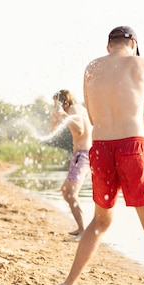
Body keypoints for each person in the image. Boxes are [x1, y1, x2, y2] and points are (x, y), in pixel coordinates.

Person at [53, 26, 144, 285]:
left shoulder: (91, 68)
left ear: (109, 46)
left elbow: (94, 118)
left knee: (100, 221)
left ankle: (67, 283)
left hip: (102, 150)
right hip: (132, 147)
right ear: (132, 44)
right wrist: (130, 127)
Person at [50, 90, 92, 238]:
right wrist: (57, 116)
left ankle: (82, 230)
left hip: (83, 155)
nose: (55, 108)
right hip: (80, 155)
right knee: (65, 191)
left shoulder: (74, 109)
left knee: (71, 193)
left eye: (56, 105)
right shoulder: (72, 111)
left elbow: (80, 130)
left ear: (64, 103)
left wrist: (63, 115)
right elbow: (53, 130)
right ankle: (81, 227)